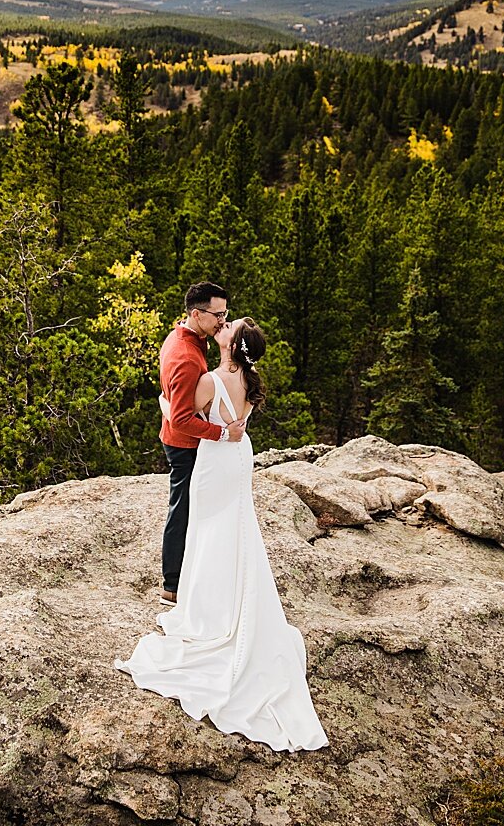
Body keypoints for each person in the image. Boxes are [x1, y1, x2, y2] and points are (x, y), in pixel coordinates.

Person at [115, 316, 329, 753]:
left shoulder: (211, 381)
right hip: (239, 457)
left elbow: (179, 416)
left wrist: (161, 400)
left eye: (231, 327)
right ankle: (227, 602)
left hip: (214, 460)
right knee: (236, 529)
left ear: (232, 345)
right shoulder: (249, 381)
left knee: (208, 531)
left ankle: (207, 612)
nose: (225, 325)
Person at [152, 281, 243, 607]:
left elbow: (175, 401)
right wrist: (222, 434)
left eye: (225, 313)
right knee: (183, 511)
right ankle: (171, 587)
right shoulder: (187, 357)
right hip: (185, 445)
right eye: (218, 314)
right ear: (196, 313)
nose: (223, 320)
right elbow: (181, 419)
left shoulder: (184, 336)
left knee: (195, 509)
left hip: (185, 439)